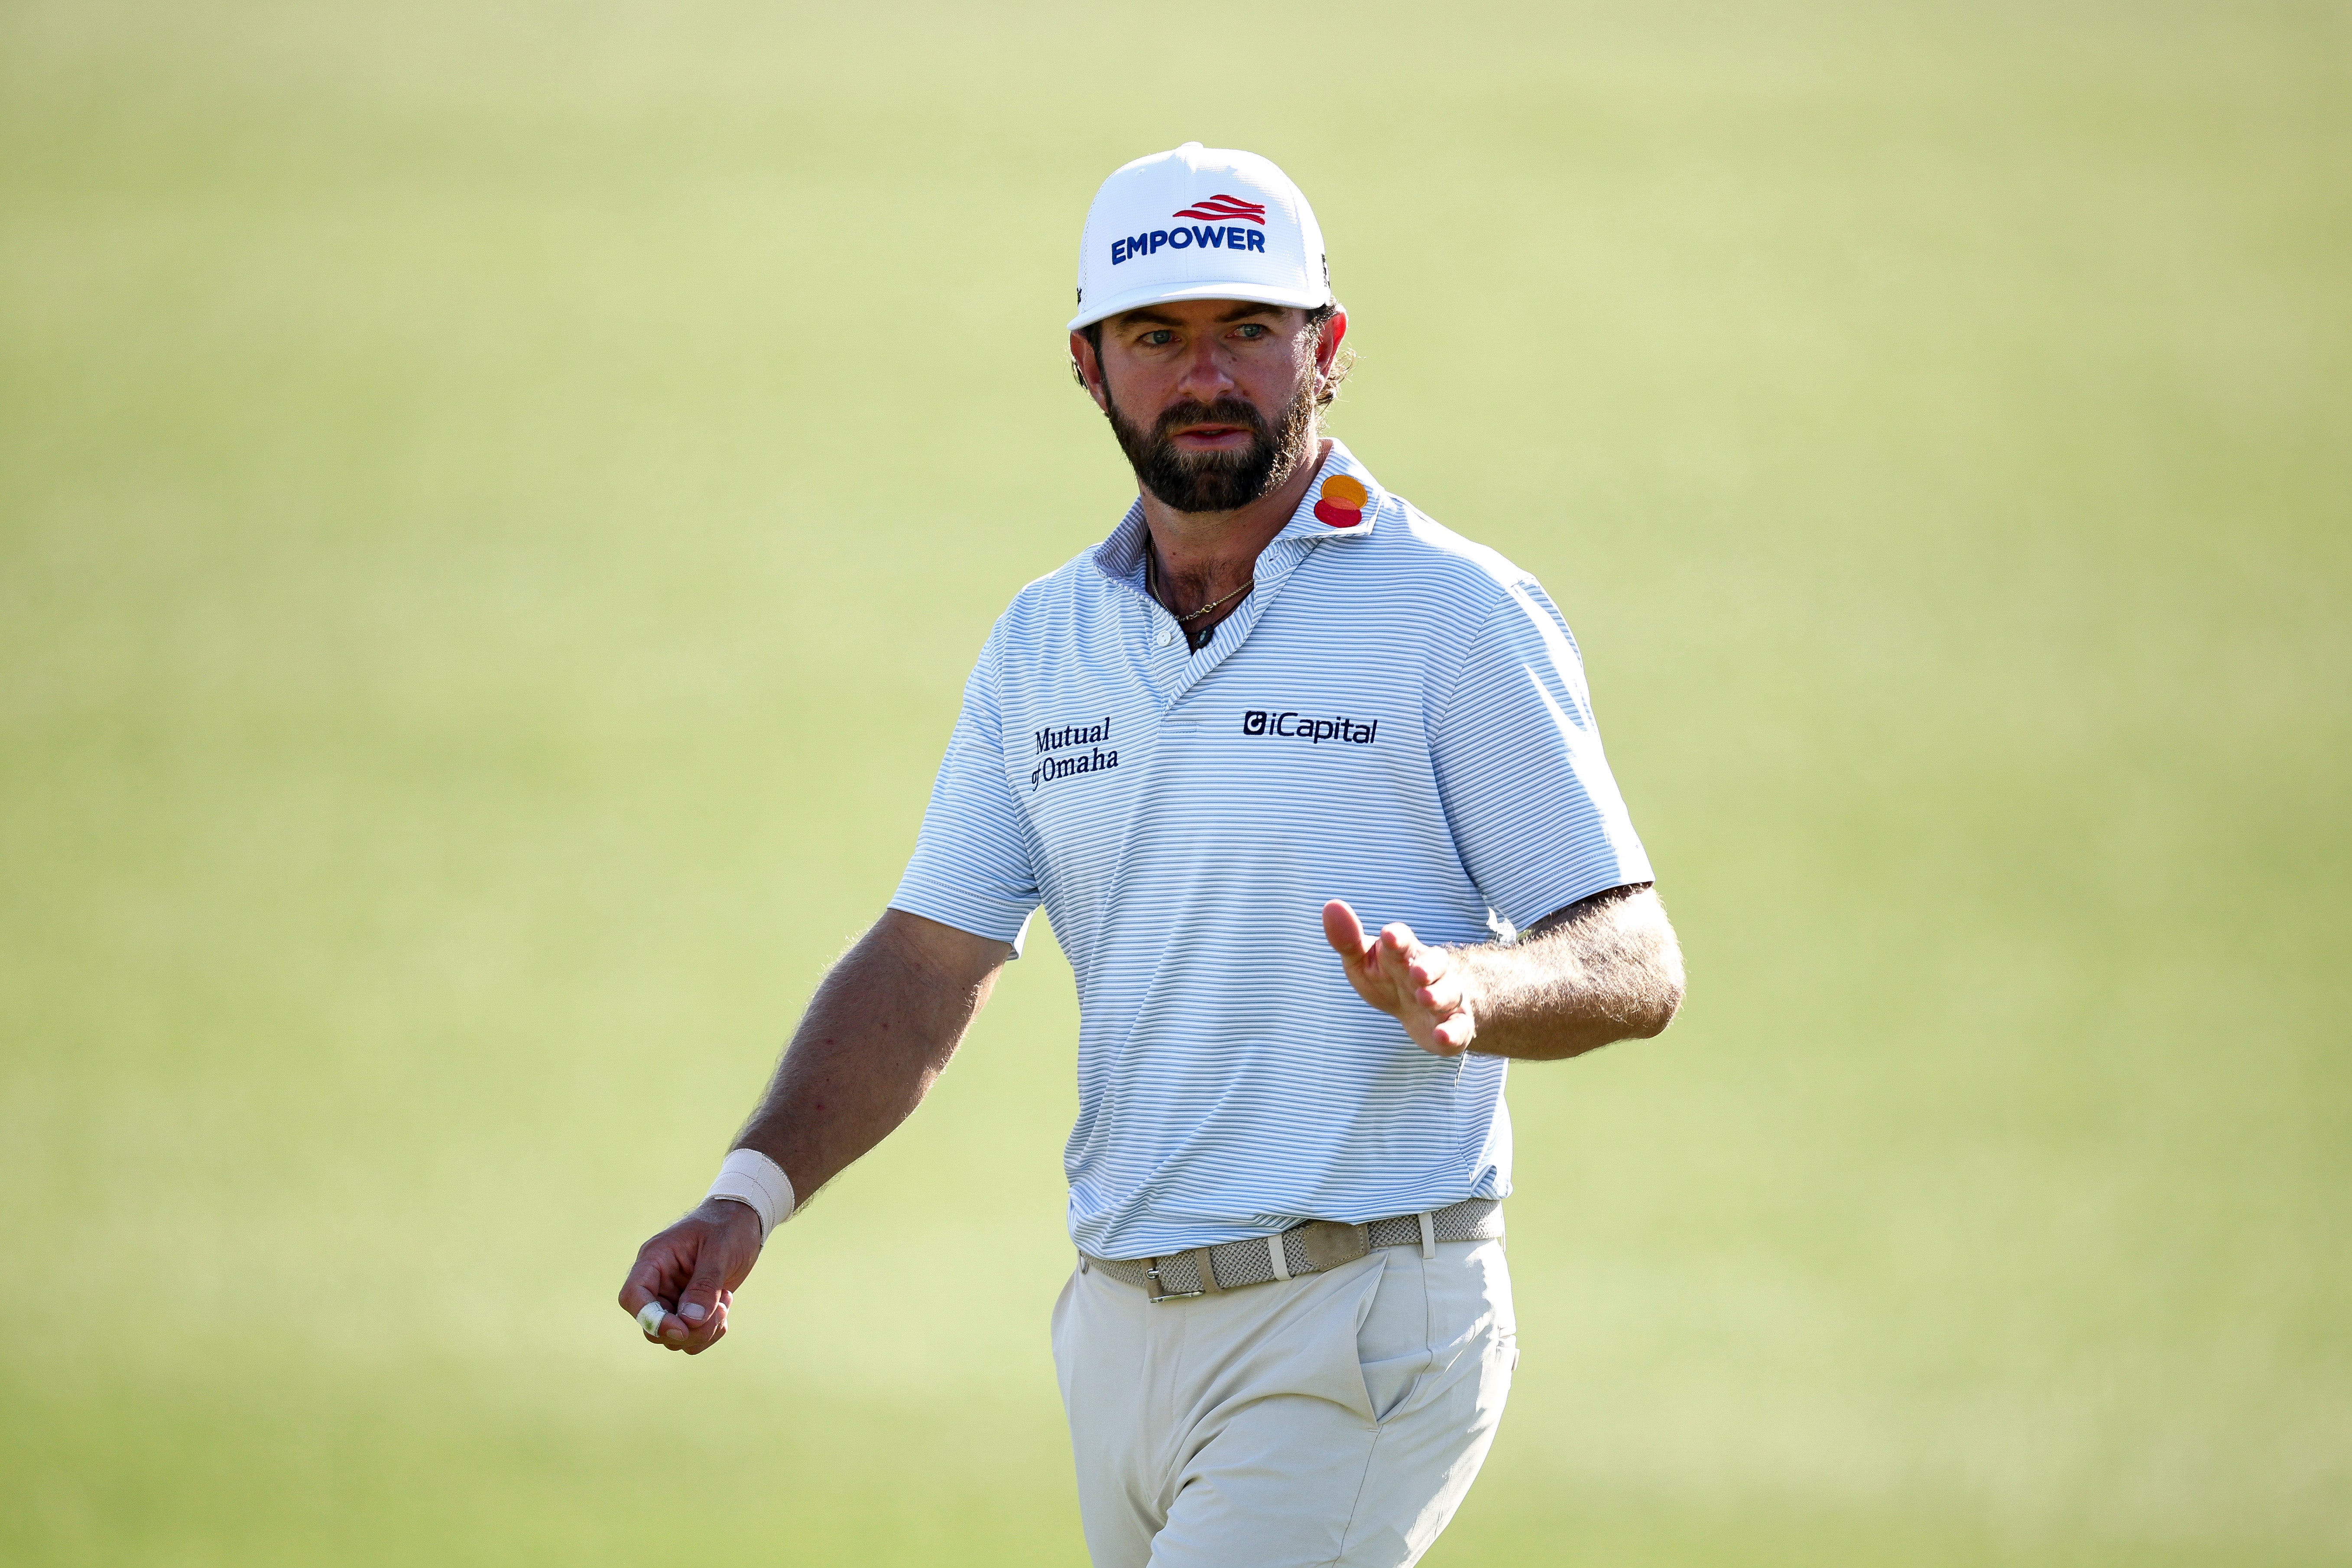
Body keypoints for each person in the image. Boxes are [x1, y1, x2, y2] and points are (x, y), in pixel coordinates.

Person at [619, 141, 1686, 1568]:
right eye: (1157, 336)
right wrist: (749, 1196)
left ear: (1328, 348)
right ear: (1088, 365)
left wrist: (1474, 990)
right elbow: (927, 963)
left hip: (1358, 1321)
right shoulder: (1043, 642)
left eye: (1248, 329)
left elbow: (1635, 955)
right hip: (1119, 1332)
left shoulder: (1454, 613)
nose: (1206, 375)